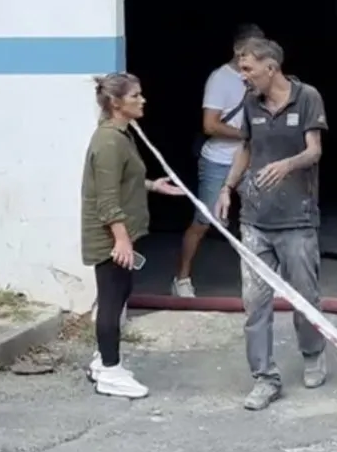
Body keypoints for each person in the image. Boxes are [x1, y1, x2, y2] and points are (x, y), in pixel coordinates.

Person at [212, 38, 329, 411]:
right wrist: (227, 187)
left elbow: (315, 151)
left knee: (304, 297)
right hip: (255, 220)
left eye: (248, 69)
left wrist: (287, 164)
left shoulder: (307, 96)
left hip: (297, 219)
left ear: (271, 68)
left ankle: (313, 354)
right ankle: (265, 378)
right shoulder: (250, 103)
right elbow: (245, 147)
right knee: (255, 304)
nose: (243, 77)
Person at [81, 73, 183, 399]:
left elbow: (125, 181)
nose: (143, 100)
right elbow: (107, 198)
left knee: (120, 293)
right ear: (116, 103)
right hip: (110, 238)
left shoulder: (122, 136)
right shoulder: (109, 141)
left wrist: (153, 185)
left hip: (120, 234)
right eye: (135, 95)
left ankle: (103, 360)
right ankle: (110, 371)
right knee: (111, 300)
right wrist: (121, 240)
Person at [172, 23, 264, 297]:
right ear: (238, 50)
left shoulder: (260, 77)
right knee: (203, 221)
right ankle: (182, 279)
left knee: (259, 221)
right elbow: (210, 125)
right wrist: (245, 134)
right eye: (254, 49)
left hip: (249, 159)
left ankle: (265, 280)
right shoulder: (219, 79)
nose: (259, 55)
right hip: (218, 161)